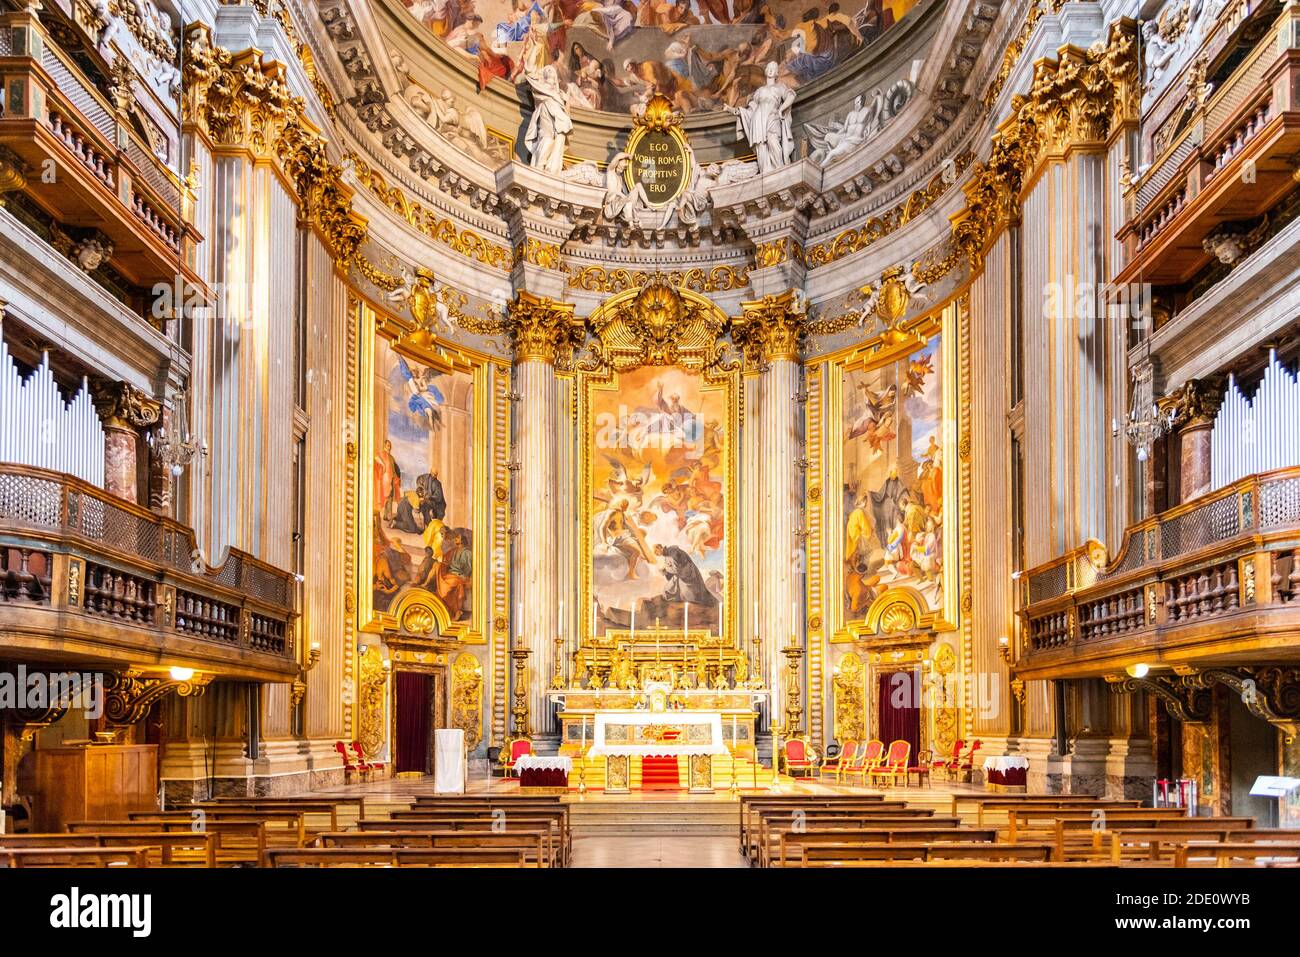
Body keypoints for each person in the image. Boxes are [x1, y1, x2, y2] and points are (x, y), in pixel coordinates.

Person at [723, 61, 794, 173]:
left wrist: (781, 109)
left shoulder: (780, 87)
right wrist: (730, 109)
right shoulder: (759, 91)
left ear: (776, 73)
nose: (770, 70)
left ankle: (779, 168)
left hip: (772, 117)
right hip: (758, 119)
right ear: (766, 71)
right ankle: (765, 171)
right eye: (769, 68)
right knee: (761, 146)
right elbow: (748, 111)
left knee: (773, 141)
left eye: (773, 68)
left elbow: (791, 96)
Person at [522, 64, 573, 173]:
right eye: (547, 69)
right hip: (545, 111)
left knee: (558, 140)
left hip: (558, 117)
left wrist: (567, 101)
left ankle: (551, 168)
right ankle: (539, 166)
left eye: (552, 70)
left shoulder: (560, 94)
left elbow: (567, 112)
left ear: (556, 77)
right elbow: (530, 75)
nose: (550, 70)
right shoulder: (540, 85)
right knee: (547, 139)